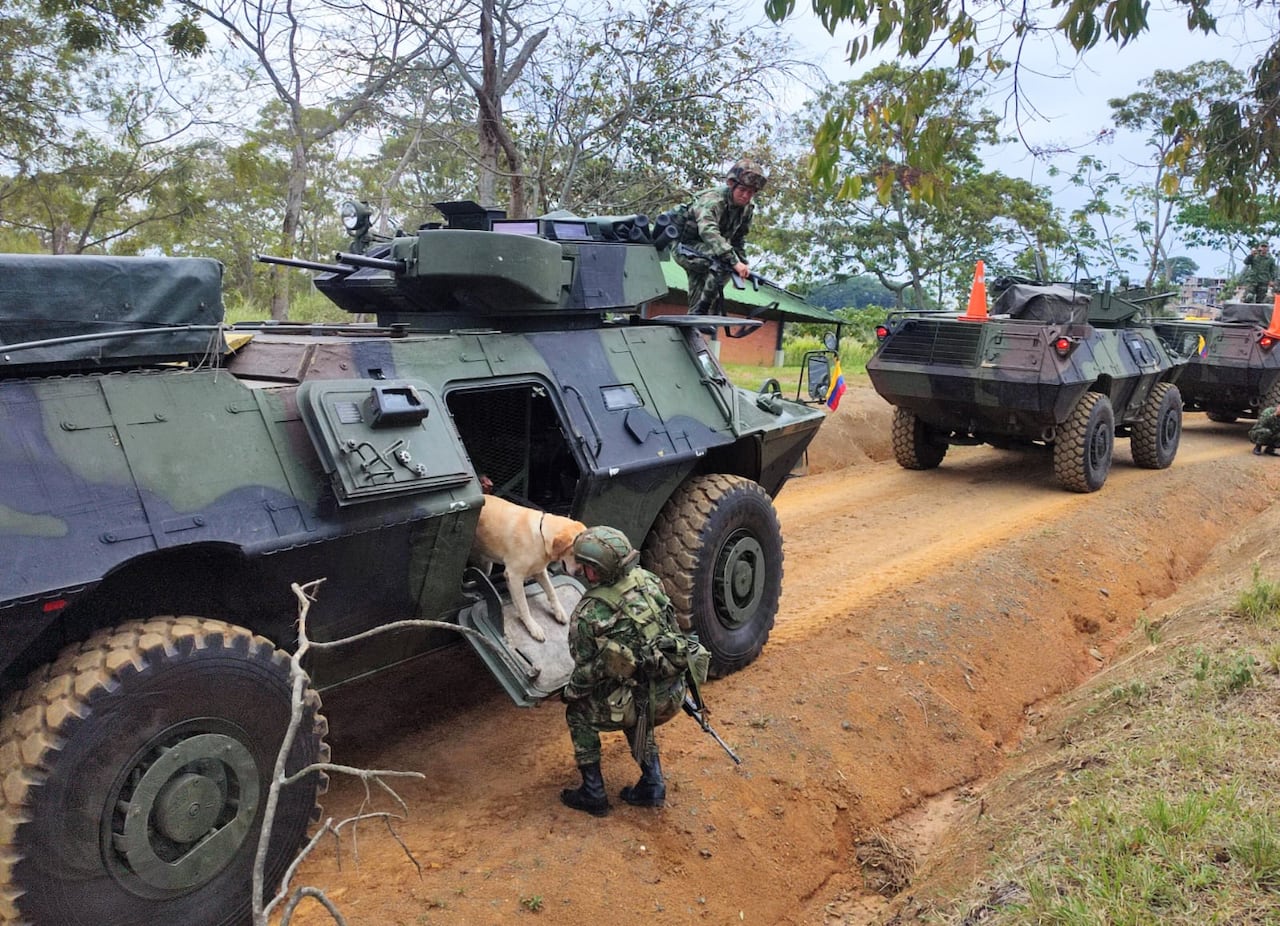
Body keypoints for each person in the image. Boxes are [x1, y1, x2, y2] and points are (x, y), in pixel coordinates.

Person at [559, 526, 686, 816]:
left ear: (594, 570)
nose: (580, 570)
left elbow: (586, 669)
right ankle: (652, 783)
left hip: (644, 702)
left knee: (578, 713)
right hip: (673, 693)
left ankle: (593, 794)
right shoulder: (649, 581)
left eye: (584, 566)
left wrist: (570, 692)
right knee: (637, 708)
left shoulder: (589, 611)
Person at [673, 157, 768, 314]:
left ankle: (696, 317)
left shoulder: (747, 209)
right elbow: (708, 230)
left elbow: (738, 240)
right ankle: (702, 312)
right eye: (742, 190)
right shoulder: (713, 200)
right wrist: (734, 261)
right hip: (685, 247)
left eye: (750, 192)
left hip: (709, 251)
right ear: (731, 185)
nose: (745, 196)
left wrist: (743, 264)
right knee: (725, 262)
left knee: (704, 289)